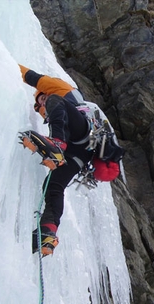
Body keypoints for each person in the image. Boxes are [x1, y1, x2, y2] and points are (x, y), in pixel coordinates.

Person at [18, 65, 118, 256]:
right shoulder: (55, 117)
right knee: (53, 184)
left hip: (83, 132)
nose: (44, 101)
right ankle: (48, 231)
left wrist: (10, 66)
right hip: (80, 152)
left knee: (57, 101)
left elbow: (30, 76)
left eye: (42, 97)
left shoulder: (58, 90)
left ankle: (56, 145)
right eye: (41, 102)